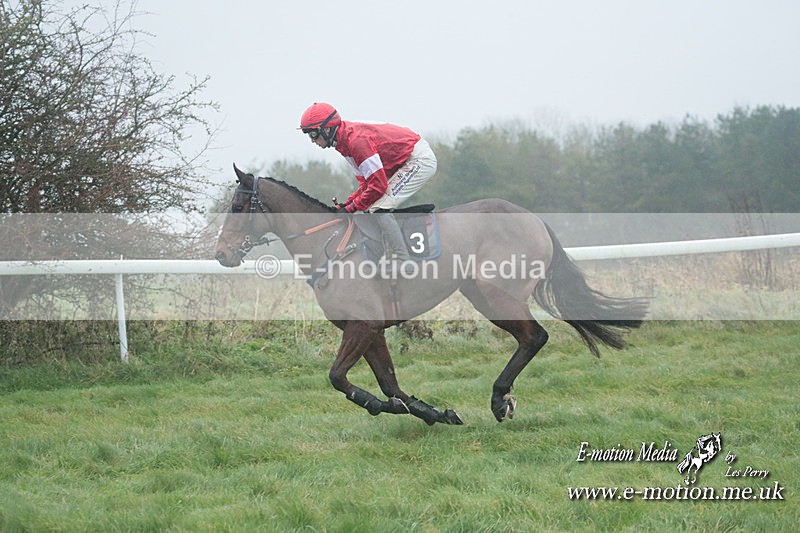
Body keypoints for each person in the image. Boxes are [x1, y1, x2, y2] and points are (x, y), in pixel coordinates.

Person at [299, 102, 437, 274]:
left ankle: (403, 261)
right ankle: (388, 254)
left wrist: (351, 208)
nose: (312, 140)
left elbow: (378, 186)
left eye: (313, 134)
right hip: (403, 160)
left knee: (378, 207)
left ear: (327, 129)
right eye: (308, 135)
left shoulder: (355, 141)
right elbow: (366, 184)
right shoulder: (343, 143)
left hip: (418, 160)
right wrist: (348, 204)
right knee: (371, 204)